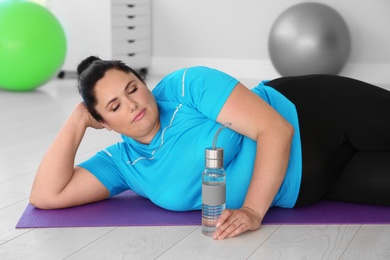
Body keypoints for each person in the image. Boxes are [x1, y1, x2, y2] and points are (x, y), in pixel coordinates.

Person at [30, 56, 390, 240]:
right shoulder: (124, 164)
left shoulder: (185, 86)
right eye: (113, 107)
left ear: (142, 81)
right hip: (311, 188)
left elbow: (275, 129)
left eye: (132, 88)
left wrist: (250, 211)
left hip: (315, 114)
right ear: (103, 123)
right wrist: (77, 120)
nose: (133, 104)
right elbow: (47, 195)